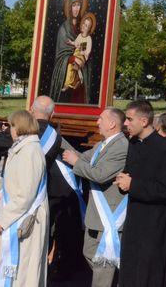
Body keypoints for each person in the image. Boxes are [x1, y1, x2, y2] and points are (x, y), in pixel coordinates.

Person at [62, 107, 129, 287]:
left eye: (100, 119)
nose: (97, 122)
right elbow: (82, 157)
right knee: (90, 252)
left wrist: (76, 162)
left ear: (112, 123)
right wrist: (56, 138)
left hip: (110, 214)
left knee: (104, 263)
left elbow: (100, 175)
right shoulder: (103, 144)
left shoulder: (121, 146)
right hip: (97, 214)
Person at [114, 100, 166, 287]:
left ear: (144, 121)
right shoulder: (133, 143)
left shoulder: (165, 146)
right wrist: (122, 181)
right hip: (134, 219)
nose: (125, 123)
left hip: (154, 224)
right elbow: (129, 173)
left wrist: (132, 185)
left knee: (148, 275)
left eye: (129, 119)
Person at [0, 110, 49, 287]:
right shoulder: (22, 148)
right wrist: (2, 196)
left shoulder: (30, 151)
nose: (9, 129)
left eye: (11, 125)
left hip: (24, 218)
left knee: (22, 272)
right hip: (17, 212)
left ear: (20, 127)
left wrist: (4, 219)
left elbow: (25, 194)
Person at [49, 0, 92, 104]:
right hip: (66, 71)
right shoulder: (64, 29)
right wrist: (73, 59)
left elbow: (84, 46)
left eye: (79, 5)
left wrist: (81, 58)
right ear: (69, 7)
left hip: (80, 73)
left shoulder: (82, 28)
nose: (76, 8)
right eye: (74, 5)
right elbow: (60, 55)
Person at [62, 12, 95, 92]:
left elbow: (88, 51)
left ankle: (79, 78)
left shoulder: (88, 38)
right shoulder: (80, 35)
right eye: (84, 23)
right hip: (76, 54)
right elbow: (75, 43)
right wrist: (70, 42)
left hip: (81, 57)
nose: (84, 26)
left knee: (75, 64)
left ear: (89, 29)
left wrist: (83, 51)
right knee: (70, 67)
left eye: (86, 25)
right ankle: (69, 84)